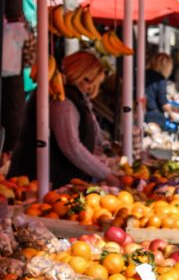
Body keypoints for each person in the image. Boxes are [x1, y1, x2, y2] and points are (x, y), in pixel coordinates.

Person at [10, 51, 120, 188]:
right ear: (82, 76)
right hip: (40, 181)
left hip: (50, 179)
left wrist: (104, 148)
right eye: (90, 82)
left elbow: (91, 129)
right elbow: (72, 147)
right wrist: (107, 175)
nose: (91, 88)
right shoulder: (62, 101)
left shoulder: (74, 97)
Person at [144, 52, 173, 128]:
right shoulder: (160, 79)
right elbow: (163, 102)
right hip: (155, 115)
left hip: (143, 112)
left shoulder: (145, 74)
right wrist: (171, 114)